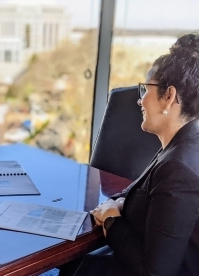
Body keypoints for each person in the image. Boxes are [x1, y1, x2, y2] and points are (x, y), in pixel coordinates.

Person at [73, 33, 199, 276]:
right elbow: (150, 198)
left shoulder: (179, 169)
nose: (140, 100)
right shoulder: (182, 145)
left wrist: (112, 220)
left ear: (169, 96)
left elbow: (154, 272)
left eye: (146, 89)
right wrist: (120, 202)